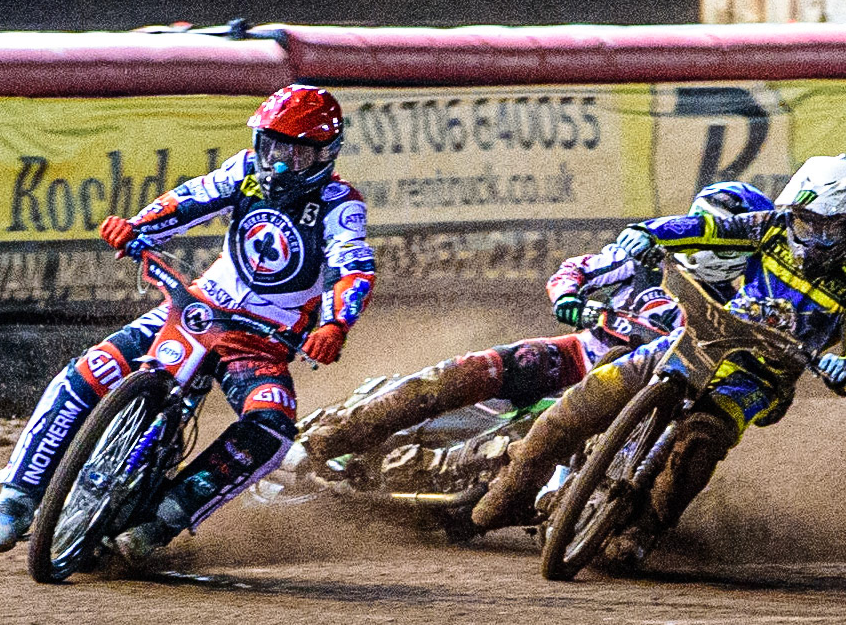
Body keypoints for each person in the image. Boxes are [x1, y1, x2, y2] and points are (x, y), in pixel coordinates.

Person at [0, 84, 376, 560]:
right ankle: (18, 495)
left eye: (293, 152)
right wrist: (137, 227)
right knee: (88, 371)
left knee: (270, 429)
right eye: (269, 145)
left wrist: (335, 324)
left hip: (258, 343)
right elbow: (191, 198)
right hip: (194, 309)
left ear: (322, 155)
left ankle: (164, 520)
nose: (276, 162)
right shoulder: (245, 171)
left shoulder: (341, 205)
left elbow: (351, 266)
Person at [471, 155, 846, 540]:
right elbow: (707, 229)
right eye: (806, 222)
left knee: (700, 442)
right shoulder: (771, 226)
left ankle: (642, 534)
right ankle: (515, 485)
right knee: (589, 396)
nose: (814, 239)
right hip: (702, 337)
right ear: (791, 214)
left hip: (760, 378)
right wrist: (648, 232)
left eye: (830, 228)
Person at [297, 181, 774, 507]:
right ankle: (332, 439)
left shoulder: (745, 303)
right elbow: (577, 269)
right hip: (574, 358)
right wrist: (571, 298)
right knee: (460, 375)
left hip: (639, 400)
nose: (727, 249)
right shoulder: (649, 259)